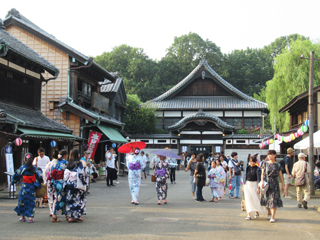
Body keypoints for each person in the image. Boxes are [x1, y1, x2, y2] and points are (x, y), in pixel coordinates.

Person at [11, 153, 41, 223]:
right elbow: (38, 177)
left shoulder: (22, 168)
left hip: (24, 187)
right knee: (31, 202)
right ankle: (31, 217)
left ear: (25, 160)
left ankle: (23, 217)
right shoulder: (34, 168)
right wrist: (37, 184)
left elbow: (16, 175)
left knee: (22, 201)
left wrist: (13, 181)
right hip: (32, 187)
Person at [260, 150, 284, 223]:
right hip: (267, 183)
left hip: (275, 183)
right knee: (266, 199)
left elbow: (280, 175)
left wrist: (283, 184)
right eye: (268, 155)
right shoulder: (265, 163)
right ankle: (269, 212)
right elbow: (262, 173)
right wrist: (262, 181)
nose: (270, 156)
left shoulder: (278, 165)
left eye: (271, 154)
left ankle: (273, 216)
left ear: (275, 155)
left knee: (274, 199)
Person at [64, 149, 87, 222]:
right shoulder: (79, 163)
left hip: (69, 183)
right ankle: (76, 215)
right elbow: (82, 173)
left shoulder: (68, 164)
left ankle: (70, 216)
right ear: (77, 155)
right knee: (78, 200)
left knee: (70, 200)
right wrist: (84, 183)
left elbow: (65, 175)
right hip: (77, 184)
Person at [242, 155, 263, 220]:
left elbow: (259, 179)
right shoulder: (247, 168)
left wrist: (259, 188)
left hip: (255, 184)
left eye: (253, 161)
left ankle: (256, 211)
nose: (252, 163)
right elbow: (244, 178)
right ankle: (249, 214)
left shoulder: (258, 169)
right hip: (247, 184)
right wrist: (243, 185)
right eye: (251, 161)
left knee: (256, 198)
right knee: (248, 199)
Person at [50, 149, 68, 222]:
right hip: (62, 183)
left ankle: (66, 214)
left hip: (55, 182)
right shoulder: (66, 163)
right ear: (64, 156)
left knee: (60, 198)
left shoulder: (54, 163)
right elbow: (67, 173)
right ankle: (54, 216)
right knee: (61, 199)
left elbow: (51, 173)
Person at [43, 149, 58, 217]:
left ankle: (51, 211)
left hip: (49, 181)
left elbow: (45, 172)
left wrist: (45, 181)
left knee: (50, 196)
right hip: (57, 181)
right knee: (56, 196)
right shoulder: (59, 163)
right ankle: (54, 210)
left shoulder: (49, 163)